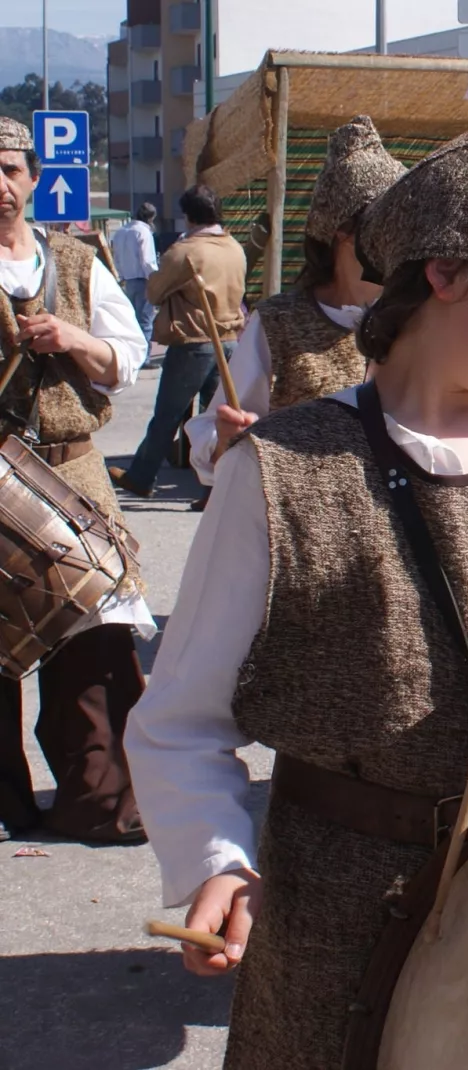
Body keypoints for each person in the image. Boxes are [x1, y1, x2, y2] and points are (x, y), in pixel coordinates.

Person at [124, 83, 468, 1070]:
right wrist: (216, 858)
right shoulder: (282, 468)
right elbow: (181, 714)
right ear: (446, 274)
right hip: (327, 901)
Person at [0, 116, 153, 845]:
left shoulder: (76, 259)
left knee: (95, 636)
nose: (0, 187)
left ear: (32, 178)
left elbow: (127, 355)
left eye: (9, 171)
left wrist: (72, 339)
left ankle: (101, 801)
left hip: (73, 470)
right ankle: (8, 801)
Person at [184, 116, 405, 485]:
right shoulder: (279, 323)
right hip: (302, 528)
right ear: (343, 233)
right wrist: (228, 439)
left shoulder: (419, 318)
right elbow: (216, 445)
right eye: (389, 221)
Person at [109, 184, 246, 498]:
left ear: (188, 217)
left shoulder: (186, 251)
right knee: (219, 419)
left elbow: (154, 291)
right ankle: (215, 488)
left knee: (168, 414)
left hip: (194, 341)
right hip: (229, 340)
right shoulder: (235, 247)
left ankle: (142, 476)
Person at [111, 201, 159, 343]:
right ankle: (145, 357)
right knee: (145, 320)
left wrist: (121, 275)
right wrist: (155, 279)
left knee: (131, 320)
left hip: (128, 280)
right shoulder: (143, 232)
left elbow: (116, 257)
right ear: (151, 218)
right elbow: (147, 260)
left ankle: (133, 351)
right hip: (144, 280)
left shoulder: (121, 231)